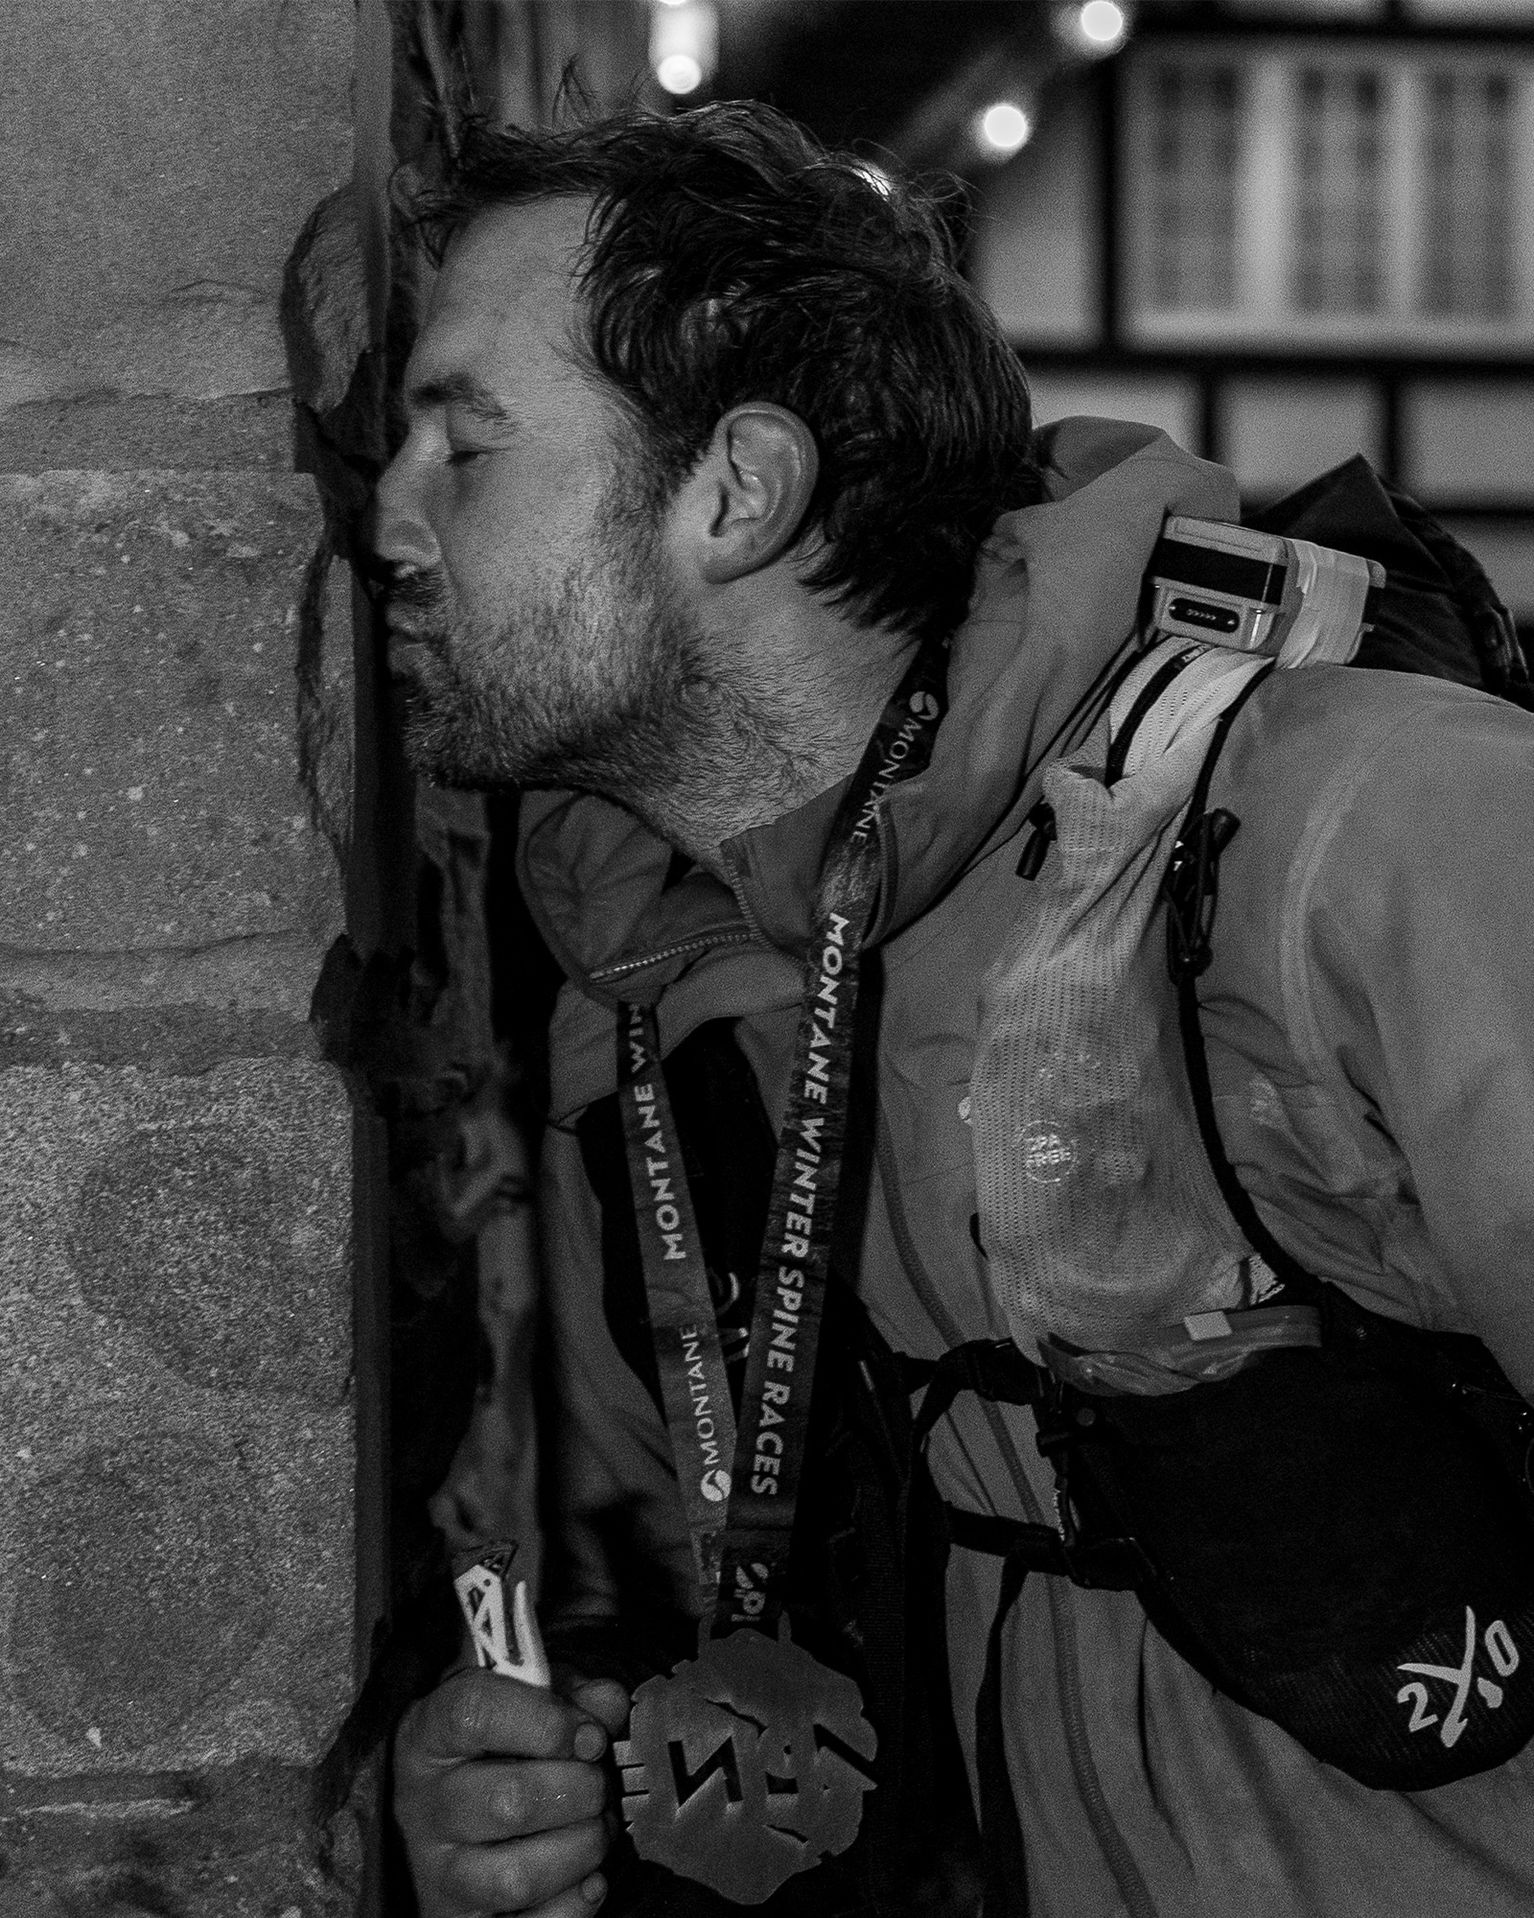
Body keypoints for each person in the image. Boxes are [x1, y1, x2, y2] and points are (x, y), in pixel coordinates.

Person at [376, 101, 1534, 1918]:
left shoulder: (1370, 826)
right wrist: (525, 1787)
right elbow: (643, 1595)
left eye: (463, 444)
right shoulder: (646, 999)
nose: (386, 521)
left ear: (734, 494)